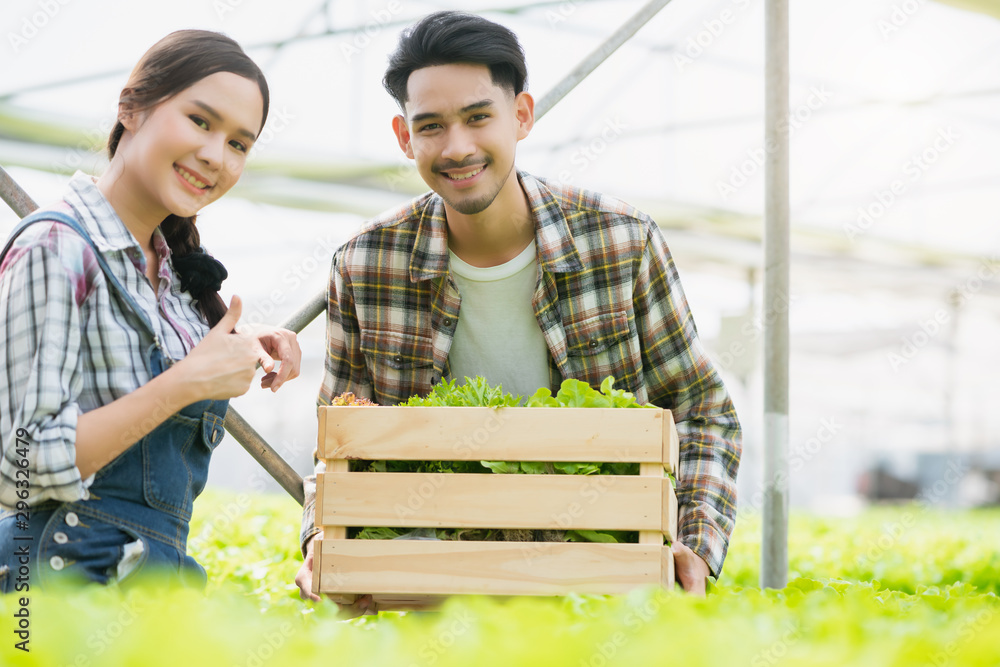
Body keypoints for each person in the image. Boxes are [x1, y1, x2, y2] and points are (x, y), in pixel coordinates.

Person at [294, 11, 741, 607]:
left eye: (479, 117)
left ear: (521, 115)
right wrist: (322, 549)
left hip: (597, 587)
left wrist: (693, 545)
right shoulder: (365, 264)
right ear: (405, 138)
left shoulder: (620, 241)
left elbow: (704, 410)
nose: (457, 147)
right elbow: (340, 442)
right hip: (432, 592)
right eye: (430, 127)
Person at [0, 30, 301, 591]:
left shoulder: (169, 276)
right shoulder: (57, 247)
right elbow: (21, 465)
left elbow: (135, 361)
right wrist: (186, 381)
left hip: (149, 582)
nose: (215, 155)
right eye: (200, 121)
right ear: (130, 108)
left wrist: (241, 344)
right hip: (60, 585)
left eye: (239, 144)